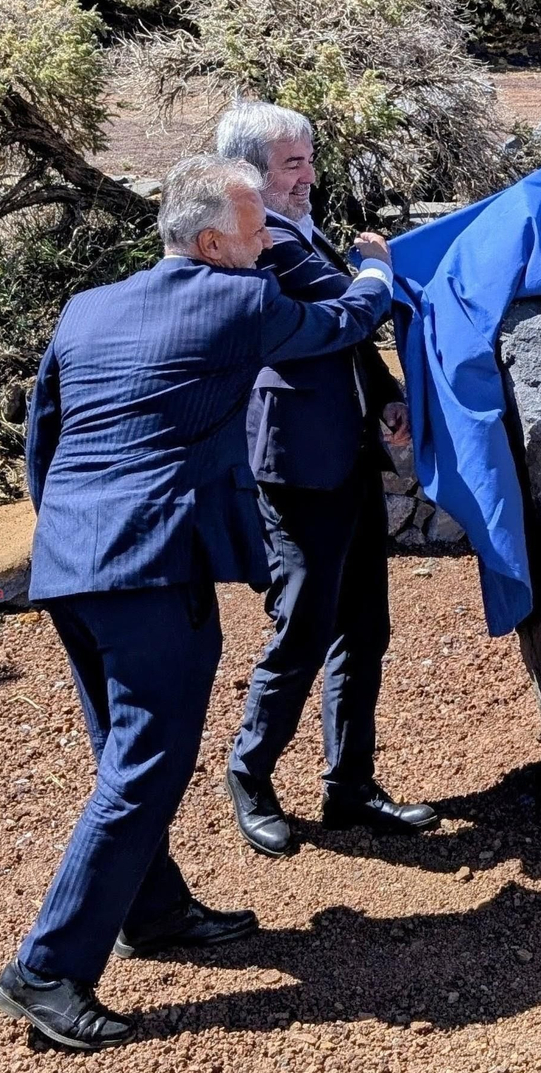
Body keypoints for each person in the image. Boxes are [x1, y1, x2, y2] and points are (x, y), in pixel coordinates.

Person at [0, 155, 397, 1053]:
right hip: (151, 565)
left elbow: (43, 436)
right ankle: (46, 970)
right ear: (211, 242)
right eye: (257, 231)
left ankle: (154, 910)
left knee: (122, 755)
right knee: (147, 766)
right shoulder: (237, 300)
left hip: (72, 558)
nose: (269, 244)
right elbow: (342, 321)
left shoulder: (88, 306)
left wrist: (69, 536)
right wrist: (376, 268)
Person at [212, 102, 438, 855]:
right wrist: (377, 267)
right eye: (292, 164)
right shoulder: (265, 244)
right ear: (251, 174)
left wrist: (387, 396)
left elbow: (345, 346)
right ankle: (250, 773)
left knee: (364, 626)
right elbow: (347, 313)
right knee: (305, 627)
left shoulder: (299, 231)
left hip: (346, 456)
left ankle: (350, 786)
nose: (308, 176)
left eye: (309, 160)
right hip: (299, 467)